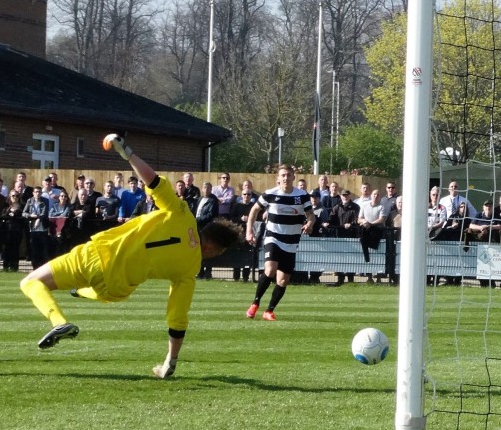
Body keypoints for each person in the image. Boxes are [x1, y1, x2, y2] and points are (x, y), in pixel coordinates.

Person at [20, 134, 241, 379]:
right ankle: (78, 292)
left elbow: (154, 181)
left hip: (98, 255)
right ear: (216, 249)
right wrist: (171, 361)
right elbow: (177, 320)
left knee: (31, 282)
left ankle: (59, 322)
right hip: (117, 286)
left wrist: (127, 153)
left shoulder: (182, 214)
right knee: (104, 293)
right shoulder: (189, 271)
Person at [244, 164, 315, 320]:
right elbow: (254, 210)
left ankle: (268, 311)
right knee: (270, 269)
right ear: (278, 178)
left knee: (283, 280)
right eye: (282, 175)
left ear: (293, 178)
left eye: (288, 175)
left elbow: (311, 215)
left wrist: (309, 223)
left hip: (291, 241)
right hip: (273, 237)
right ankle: (255, 303)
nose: (285, 178)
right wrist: (249, 231)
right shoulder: (270, 194)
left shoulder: (302, 195)